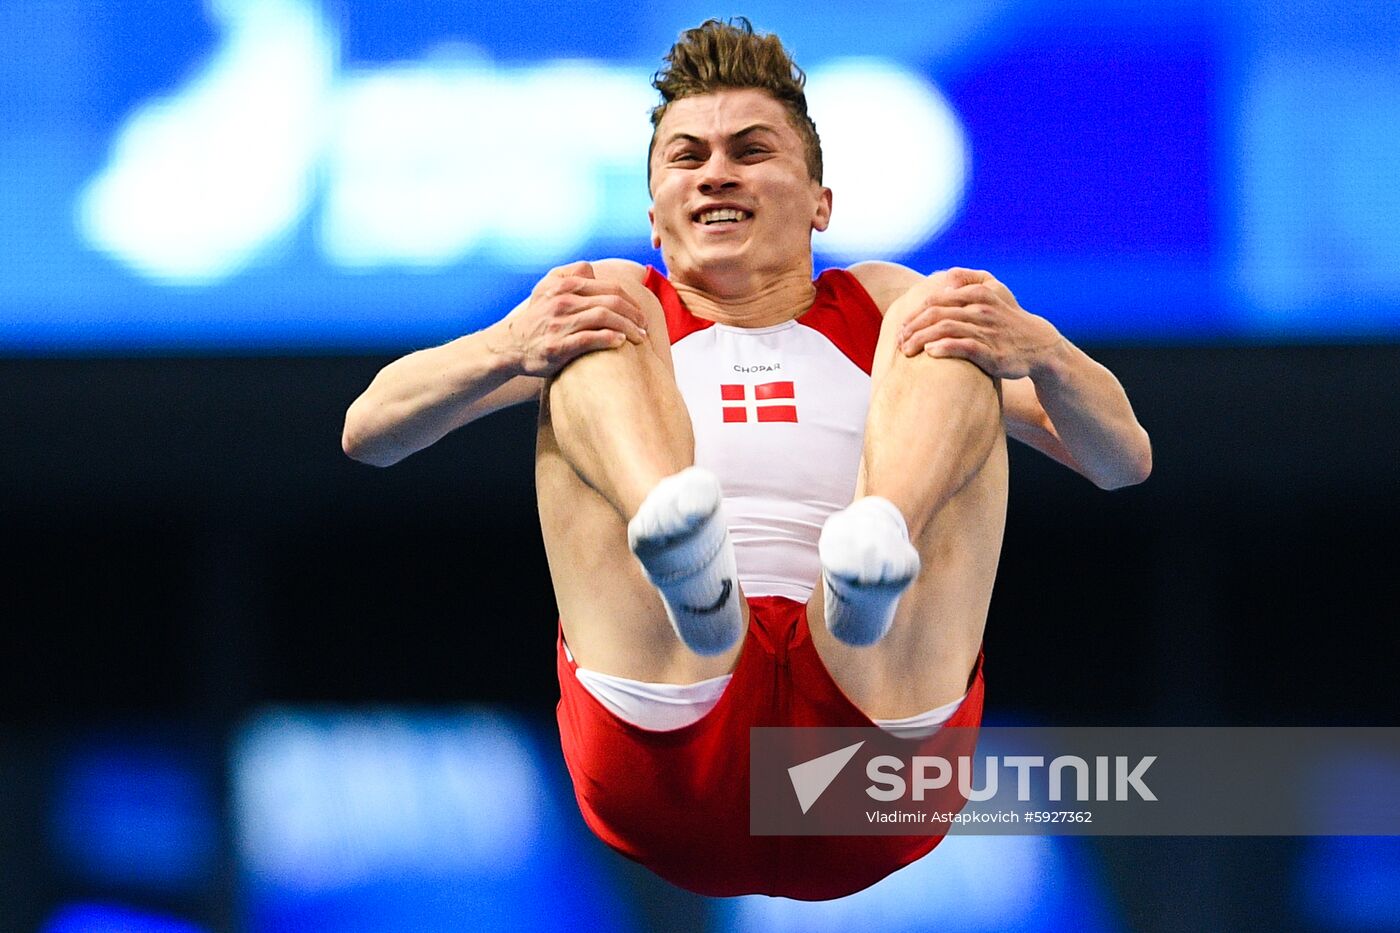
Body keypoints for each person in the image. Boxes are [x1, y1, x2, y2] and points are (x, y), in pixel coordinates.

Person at [342, 18, 1151, 900]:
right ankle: (694, 580)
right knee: (589, 306)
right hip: (664, 730)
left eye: (750, 149)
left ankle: (870, 555)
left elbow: (1120, 458)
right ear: (654, 212)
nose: (716, 172)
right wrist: (509, 342)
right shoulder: (619, 311)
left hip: (873, 736)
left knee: (948, 311)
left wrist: (1036, 345)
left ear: (819, 203)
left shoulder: (881, 312)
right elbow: (370, 430)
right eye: (687, 157)